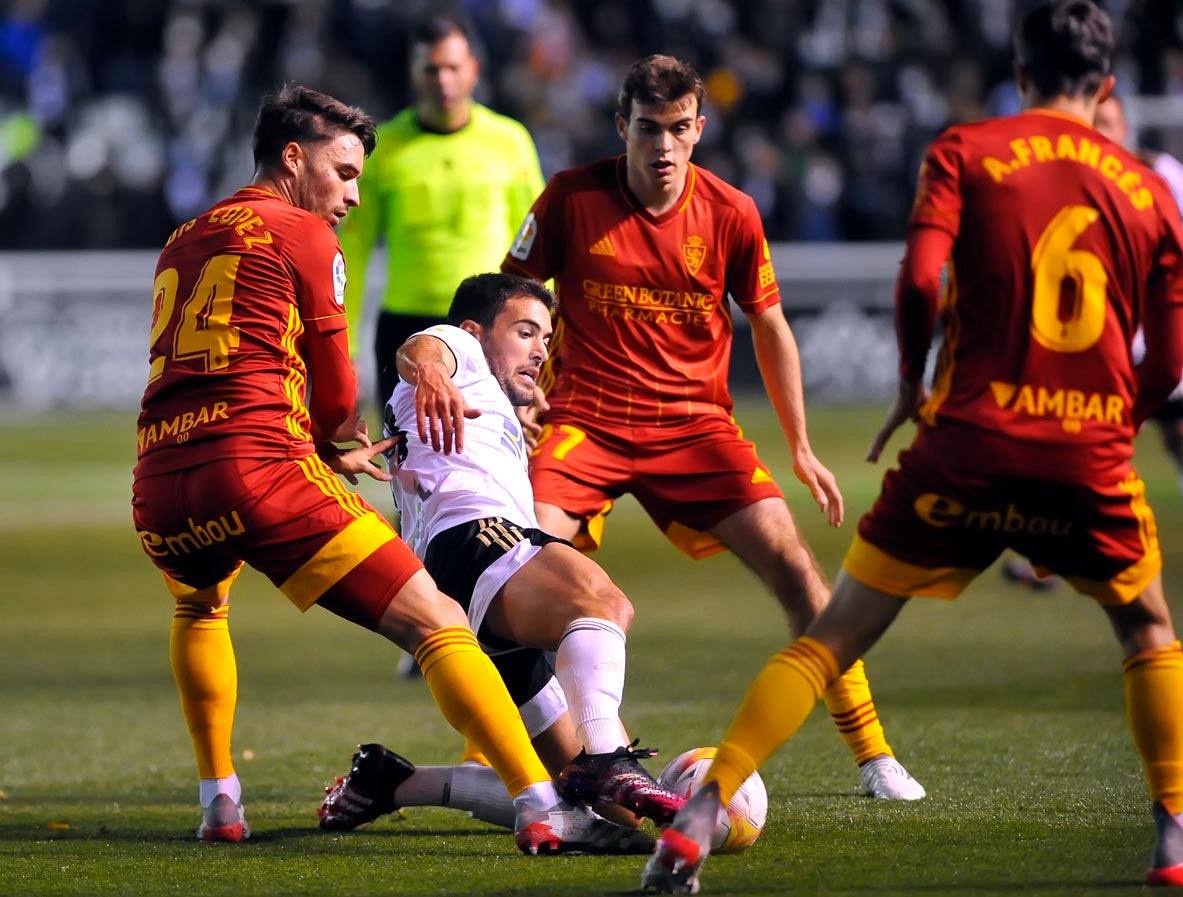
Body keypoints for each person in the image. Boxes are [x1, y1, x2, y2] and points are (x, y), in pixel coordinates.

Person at [642, 2, 1183, 891]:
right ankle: (1169, 832)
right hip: (1085, 454)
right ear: (1106, 87)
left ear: (1018, 75)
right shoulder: (1146, 189)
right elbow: (1164, 361)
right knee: (1148, 628)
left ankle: (704, 807)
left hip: (964, 445)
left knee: (829, 636)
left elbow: (923, 277)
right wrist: (1120, 419)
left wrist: (909, 382)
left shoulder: (965, 151)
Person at [131, 84, 622, 855]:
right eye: (345, 171)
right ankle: (538, 803)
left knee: (199, 611)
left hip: (159, 478)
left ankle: (220, 798)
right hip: (257, 466)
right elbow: (332, 386)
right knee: (438, 624)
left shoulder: (184, 235)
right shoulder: (300, 231)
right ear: (293, 159)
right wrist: (335, 436)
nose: (354, 195)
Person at [501, 54, 924, 802]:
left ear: (699, 129)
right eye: (645, 129)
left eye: (675, 129)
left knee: (796, 567)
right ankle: (560, 759)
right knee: (521, 571)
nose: (661, 146)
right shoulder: (570, 198)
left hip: (693, 428)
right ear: (619, 127)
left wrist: (798, 445)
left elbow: (769, 324)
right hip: (585, 422)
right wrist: (516, 388)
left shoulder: (729, 211)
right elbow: (515, 297)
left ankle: (873, 754)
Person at [317, 272, 685, 839]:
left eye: (545, 336)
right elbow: (422, 348)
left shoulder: (487, 404)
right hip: (478, 538)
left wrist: (518, 427)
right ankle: (611, 757)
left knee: (606, 816)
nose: (541, 349)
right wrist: (436, 368)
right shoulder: (455, 348)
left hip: (457, 573)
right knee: (601, 601)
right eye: (525, 331)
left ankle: (395, 782)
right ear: (475, 331)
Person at [1002, 91, 1183, 593]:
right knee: (1069, 449)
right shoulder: (1066, 183)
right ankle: (1051, 558)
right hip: (1100, 351)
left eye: (1108, 122)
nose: (1101, 132)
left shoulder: (1161, 175)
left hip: (1160, 344)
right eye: (1093, 122)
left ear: (1126, 126)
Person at [337, 10, 544, 413]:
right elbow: (354, 250)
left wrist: (543, 335)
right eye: (431, 69)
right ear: (414, 73)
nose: (443, 80)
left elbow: (538, 245)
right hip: (404, 326)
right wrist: (347, 346)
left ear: (474, 70)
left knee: (496, 456)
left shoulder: (509, 142)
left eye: (452, 67)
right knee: (410, 461)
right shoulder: (385, 149)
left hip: (490, 325)